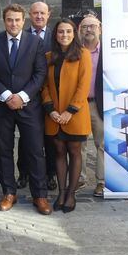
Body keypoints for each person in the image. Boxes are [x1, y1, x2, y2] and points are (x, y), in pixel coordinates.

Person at [0, 3, 51, 215]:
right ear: (5, 21)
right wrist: (6, 96)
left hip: (29, 106)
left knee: (35, 151)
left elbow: (40, 73)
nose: (13, 23)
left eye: (17, 20)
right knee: (4, 151)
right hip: (1, 107)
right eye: (10, 19)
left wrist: (21, 96)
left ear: (24, 21)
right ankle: (9, 192)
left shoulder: (35, 43)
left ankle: (39, 195)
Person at [42, 18, 92, 213]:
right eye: (61, 32)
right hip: (53, 116)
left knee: (75, 152)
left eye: (68, 32)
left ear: (74, 34)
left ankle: (71, 194)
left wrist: (69, 111)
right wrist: (51, 110)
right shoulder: (48, 57)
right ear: (56, 34)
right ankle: (61, 192)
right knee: (59, 152)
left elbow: (83, 86)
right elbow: (44, 85)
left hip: (75, 115)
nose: (65, 35)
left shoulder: (83, 55)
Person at [17, 1, 57, 191]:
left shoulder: (55, 37)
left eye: (42, 13)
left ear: (49, 14)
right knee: (25, 139)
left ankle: (50, 175)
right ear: (29, 16)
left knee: (50, 140)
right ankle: (23, 173)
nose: (39, 16)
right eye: (35, 13)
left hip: (52, 98)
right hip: (27, 97)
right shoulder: (21, 37)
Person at [78, 14, 105, 197]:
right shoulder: (76, 52)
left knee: (101, 144)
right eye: (85, 27)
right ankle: (79, 179)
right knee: (78, 145)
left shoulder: (109, 52)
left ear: (100, 29)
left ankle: (102, 182)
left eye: (92, 26)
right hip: (79, 105)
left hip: (99, 105)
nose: (89, 30)